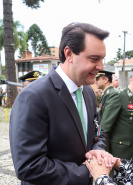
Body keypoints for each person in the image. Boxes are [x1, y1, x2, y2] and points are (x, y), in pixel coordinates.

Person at [10, 22, 114, 185]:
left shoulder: (87, 92)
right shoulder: (34, 96)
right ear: (69, 54)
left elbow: (96, 133)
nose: (100, 67)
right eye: (94, 59)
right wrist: (88, 171)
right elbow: (29, 166)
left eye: (102, 59)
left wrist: (98, 152)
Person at [100, 68, 133, 159]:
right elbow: (105, 129)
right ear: (131, 80)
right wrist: (105, 155)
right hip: (118, 153)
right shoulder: (118, 96)